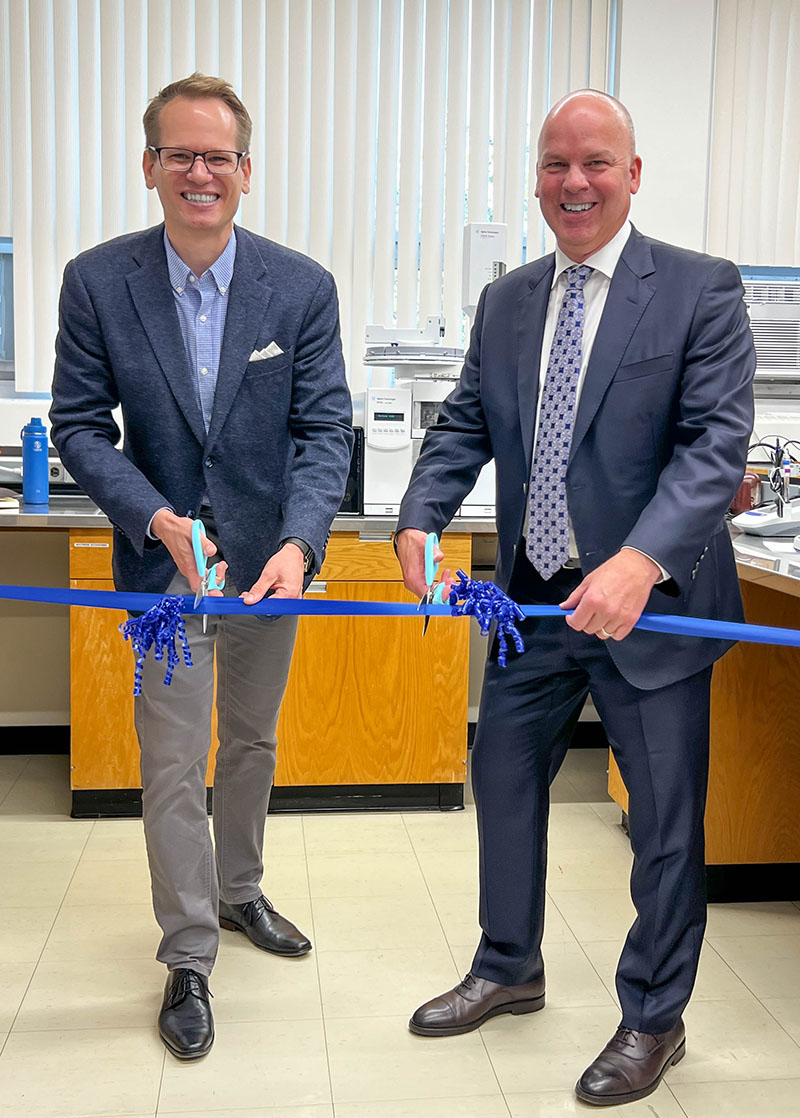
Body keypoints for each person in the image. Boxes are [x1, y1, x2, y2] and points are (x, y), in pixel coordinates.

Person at [395, 89, 755, 1106]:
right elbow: (464, 422)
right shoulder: (507, 300)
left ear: (631, 174)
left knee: (664, 826)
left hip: (652, 603)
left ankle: (652, 1016)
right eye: (555, 165)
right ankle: (508, 962)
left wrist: (639, 557)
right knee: (500, 778)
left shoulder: (696, 288)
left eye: (595, 163)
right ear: (536, 178)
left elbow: (709, 447)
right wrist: (419, 517)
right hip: (533, 605)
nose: (573, 183)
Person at [49, 73, 354, 1060]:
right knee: (174, 759)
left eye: (215, 155)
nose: (198, 172)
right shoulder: (99, 281)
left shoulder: (300, 287)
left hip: (271, 567)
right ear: (150, 167)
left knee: (251, 746)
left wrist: (301, 542)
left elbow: (322, 432)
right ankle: (187, 951)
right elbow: (81, 428)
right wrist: (151, 516)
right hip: (165, 575)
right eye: (178, 154)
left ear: (245, 171)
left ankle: (238, 891)